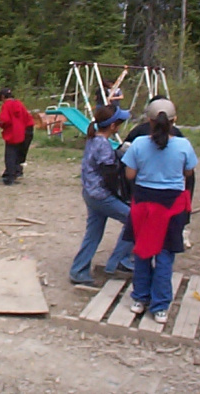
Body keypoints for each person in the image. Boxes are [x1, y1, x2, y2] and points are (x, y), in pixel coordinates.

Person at [121, 98, 197, 324]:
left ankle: (139, 298)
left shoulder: (138, 144)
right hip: (171, 206)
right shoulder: (184, 145)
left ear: (148, 121)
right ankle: (160, 305)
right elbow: (189, 172)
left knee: (143, 252)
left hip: (144, 202)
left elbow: (129, 176)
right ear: (175, 120)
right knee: (165, 255)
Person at [69, 104, 134, 286]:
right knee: (134, 220)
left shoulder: (93, 139)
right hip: (101, 195)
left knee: (93, 233)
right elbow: (110, 175)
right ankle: (118, 262)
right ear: (113, 126)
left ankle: (79, 270)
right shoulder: (103, 145)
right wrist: (122, 196)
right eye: (119, 123)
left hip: (90, 193)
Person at [0, 88, 31, 185]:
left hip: (11, 133)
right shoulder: (19, 103)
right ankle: (17, 172)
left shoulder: (6, 105)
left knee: (10, 155)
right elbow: (27, 117)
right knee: (17, 154)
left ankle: (9, 177)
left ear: (3, 97)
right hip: (21, 132)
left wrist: (0, 124)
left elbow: (4, 119)